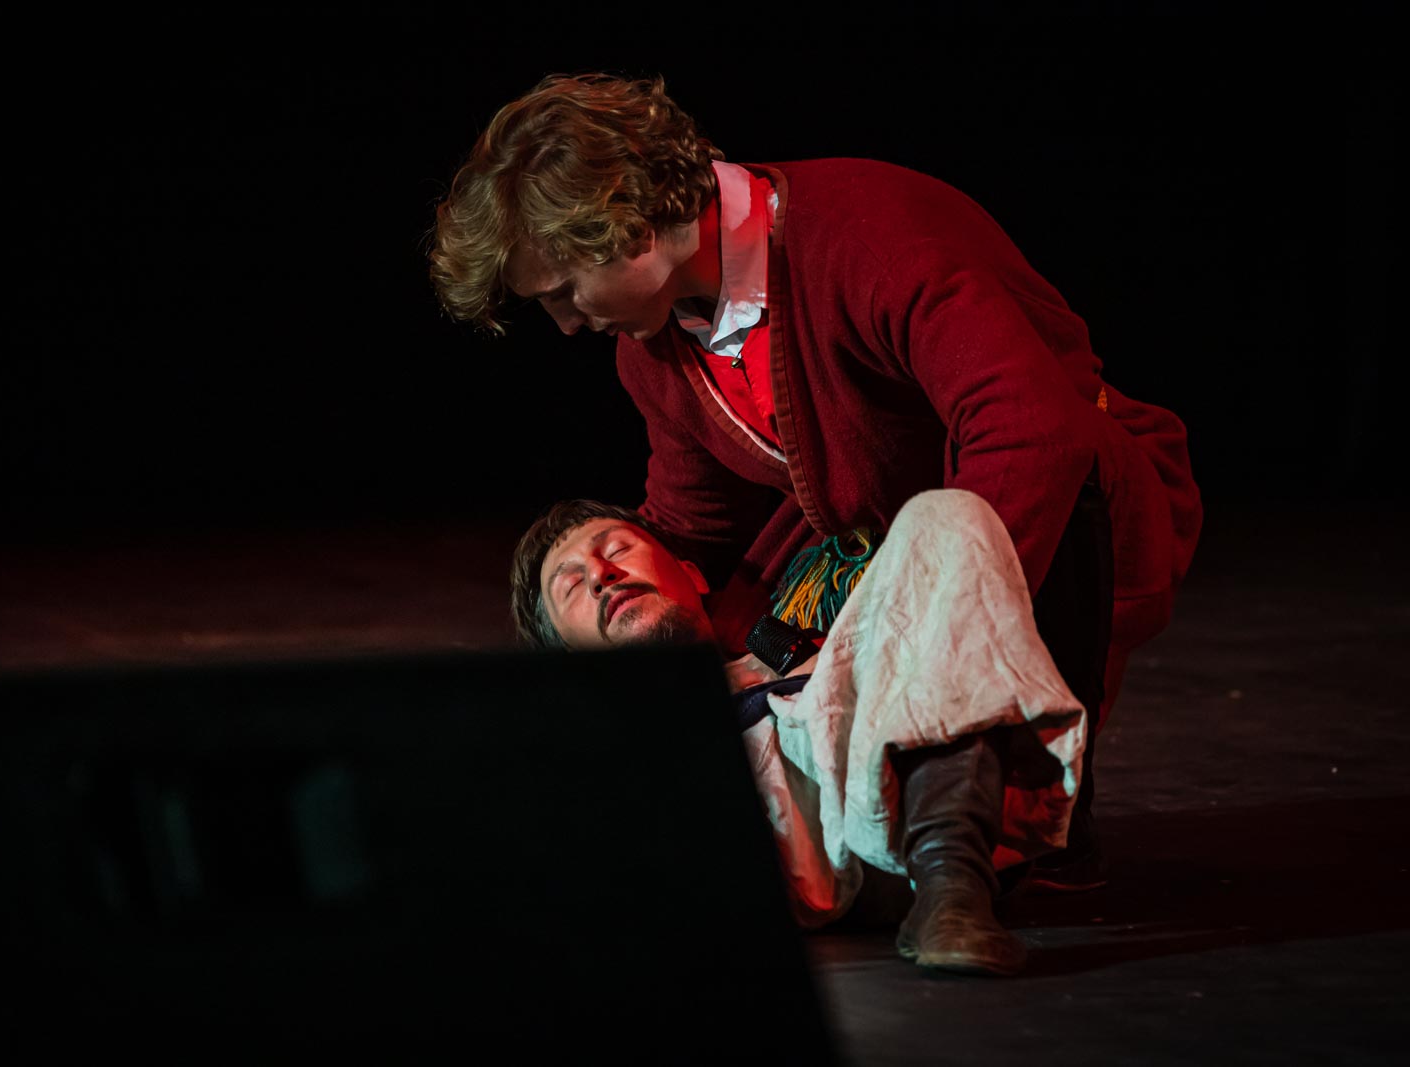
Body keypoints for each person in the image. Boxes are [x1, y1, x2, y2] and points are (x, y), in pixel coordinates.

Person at [433, 73, 1202, 891]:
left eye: (562, 292)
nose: (564, 324)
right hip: (881, 555)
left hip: (1062, 505)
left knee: (930, 579)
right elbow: (694, 529)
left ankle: (1015, 817)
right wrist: (591, 649)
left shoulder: (870, 236)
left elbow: (1029, 430)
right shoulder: (653, 351)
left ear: (628, 228)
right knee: (739, 674)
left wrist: (893, 645)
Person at [510, 491, 1089, 977]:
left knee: (944, 513)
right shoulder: (592, 741)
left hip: (884, 796)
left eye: (617, 550)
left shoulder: (797, 648)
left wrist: (812, 669)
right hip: (748, 858)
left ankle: (952, 892)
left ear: (692, 573)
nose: (602, 576)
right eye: (572, 586)